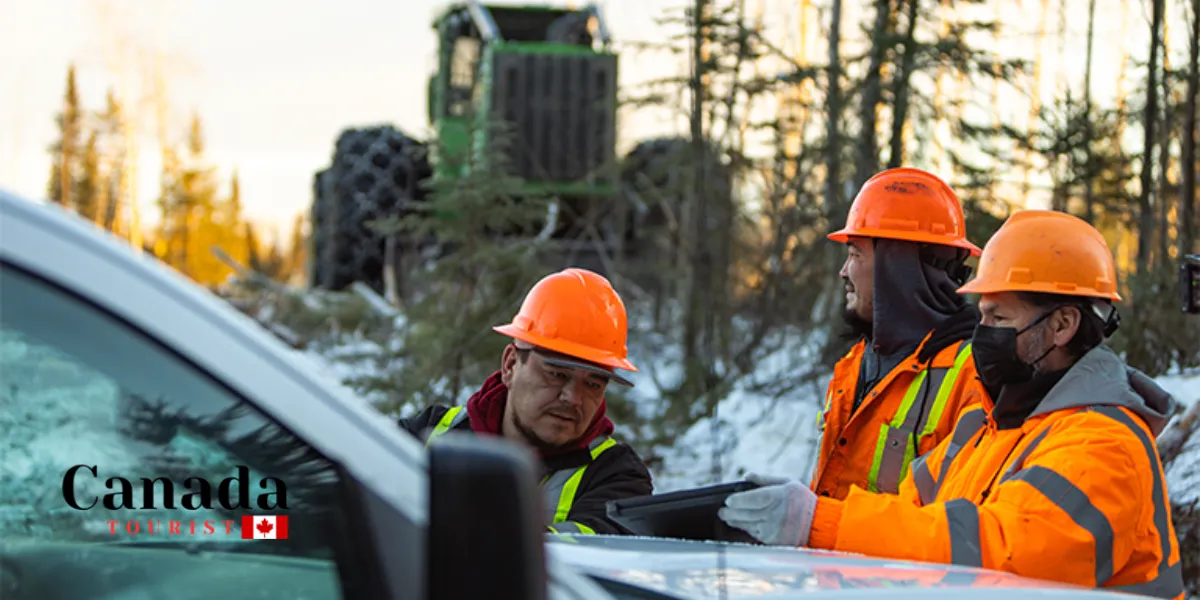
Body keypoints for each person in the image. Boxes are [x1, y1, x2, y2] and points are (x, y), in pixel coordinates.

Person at [719, 209, 1183, 598]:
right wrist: (805, 510)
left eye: (999, 317)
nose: (982, 333)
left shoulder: (1103, 445)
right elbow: (909, 516)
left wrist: (819, 523)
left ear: (1062, 325)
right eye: (981, 315)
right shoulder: (989, 433)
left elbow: (1005, 557)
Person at [399, 267, 654, 535]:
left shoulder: (617, 477)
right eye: (557, 374)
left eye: (592, 384)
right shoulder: (427, 434)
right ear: (510, 365)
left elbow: (579, 564)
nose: (573, 397)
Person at [812, 167, 990, 500]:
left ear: (896, 268)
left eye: (854, 254)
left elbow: (953, 529)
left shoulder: (974, 379)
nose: (843, 272)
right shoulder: (853, 367)